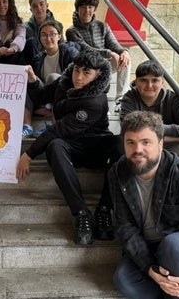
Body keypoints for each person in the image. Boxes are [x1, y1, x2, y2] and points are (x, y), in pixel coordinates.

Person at [109, 111, 179, 299]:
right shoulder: (117, 173)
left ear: (160, 144)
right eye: (131, 142)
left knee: (174, 246)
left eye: (146, 142)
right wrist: (149, 268)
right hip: (147, 247)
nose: (138, 149)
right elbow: (125, 227)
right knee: (124, 282)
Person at [16, 50, 124, 246]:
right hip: (71, 146)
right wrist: (32, 80)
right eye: (76, 70)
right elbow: (41, 95)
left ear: (98, 75)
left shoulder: (96, 100)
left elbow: (59, 128)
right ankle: (81, 213)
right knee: (55, 146)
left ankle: (105, 209)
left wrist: (28, 154)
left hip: (95, 145)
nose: (79, 77)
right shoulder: (64, 82)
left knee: (120, 145)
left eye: (86, 73)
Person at [119, 60, 179, 169]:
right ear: (136, 82)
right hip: (140, 145)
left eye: (154, 80)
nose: (149, 85)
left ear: (162, 82)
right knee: (120, 146)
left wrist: (153, 131)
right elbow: (127, 130)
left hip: (168, 146)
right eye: (143, 80)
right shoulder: (129, 98)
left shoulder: (174, 99)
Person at [65, 0, 131, 111]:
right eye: (83, 7)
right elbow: (86, 49)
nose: (87, 10)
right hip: (85, 68)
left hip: (103, 64)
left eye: (90, 7)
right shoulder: (72, 31)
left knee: (125, 59)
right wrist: (109, 53)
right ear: (77, 10)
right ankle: (100, 104)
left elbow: (114, 45)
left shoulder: (103, 26)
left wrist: (124, 52)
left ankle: (121, 99)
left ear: (95, 9)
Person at [22, 20, 79, 137]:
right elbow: (36, 89)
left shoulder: (70, 53)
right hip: (44, 97)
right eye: (44, 35)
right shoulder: (38, 59)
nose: (48, 38)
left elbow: (75, 78)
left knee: (54, 77)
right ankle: (27, 126)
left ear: (59, 36)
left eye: (52, 34)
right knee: (28, 78)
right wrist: (37, 108)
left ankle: (53, 124)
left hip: (65, 97)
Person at [23, 0, 58, 64]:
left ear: (47, 6)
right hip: (34, 65)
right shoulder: (25, 28)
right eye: (35, 6)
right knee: (31, 42)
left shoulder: (57, 26)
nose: (39, 8)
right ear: (31, 10)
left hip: (53, 61)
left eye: (41, 4)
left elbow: (61, 46)